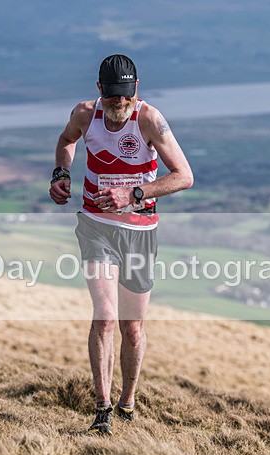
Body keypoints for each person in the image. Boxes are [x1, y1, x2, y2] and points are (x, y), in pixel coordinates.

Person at [50, 54, 193, 435]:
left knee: (132, 327)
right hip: (96, 227)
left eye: (125, 97)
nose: (119, 104)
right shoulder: (85, 114)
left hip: (140, 232)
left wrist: (134, 193)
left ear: (136, 90)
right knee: (106, 316)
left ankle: (128, 403)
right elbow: (66, 140)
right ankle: (102, 410)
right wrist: (62, 172)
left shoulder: (149, 119)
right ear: (100, 91)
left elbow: (184, 176)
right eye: (113, 97)